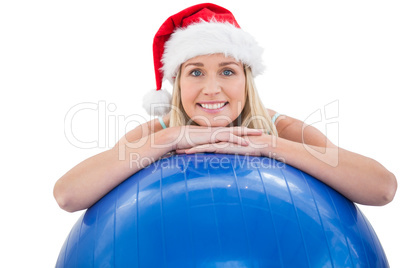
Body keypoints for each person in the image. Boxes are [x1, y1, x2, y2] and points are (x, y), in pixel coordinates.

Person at [54, 3, 397, 213]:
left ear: (246, 80)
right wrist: (174, 137)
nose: (212, 88)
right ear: (177, 82)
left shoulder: (285, 130)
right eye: (196, 72)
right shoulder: (156, 134)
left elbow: (382, 189)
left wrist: (267, 144)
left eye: (228, 71)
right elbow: (68, 195)